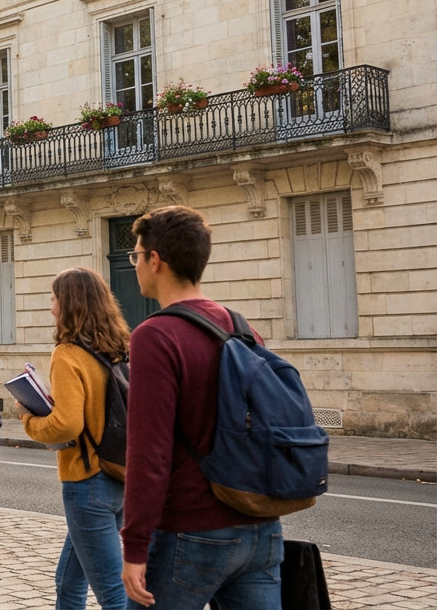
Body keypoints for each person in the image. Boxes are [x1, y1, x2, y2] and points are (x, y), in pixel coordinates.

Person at [120, 205, 283, 609]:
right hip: (260, 529)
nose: (135, 265)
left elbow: (148, 453)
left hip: (192, 532)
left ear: (155, 260)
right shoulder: (242, 328)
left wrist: (134, 546)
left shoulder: (155, 336)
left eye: (136, 256)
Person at [21, 267, 130, 610]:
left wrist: (29, 419)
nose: (51, 308)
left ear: (69, 304)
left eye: (53, 299)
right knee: (68, 581)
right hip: (121, 476)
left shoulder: (67, 354)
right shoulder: (119, 349)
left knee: (113, 593)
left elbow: (67, 426)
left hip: (88, 483)